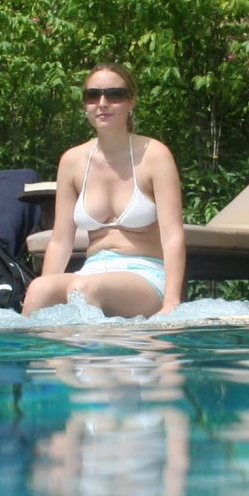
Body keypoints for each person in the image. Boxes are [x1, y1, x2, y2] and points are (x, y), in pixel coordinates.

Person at [23, 64, 185, 317]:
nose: (102, 102)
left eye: (114, 94)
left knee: (85, 289)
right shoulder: (73, 161)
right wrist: (49, 293)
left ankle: (94, 357)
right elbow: (61, 240)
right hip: (90, 272)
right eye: (93, 95)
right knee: (38, 289)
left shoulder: (155, 155)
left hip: (145, 273)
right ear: (85, 104)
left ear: (131, 102)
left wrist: (172, 303)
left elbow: (173, 236)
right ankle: (45, 357)